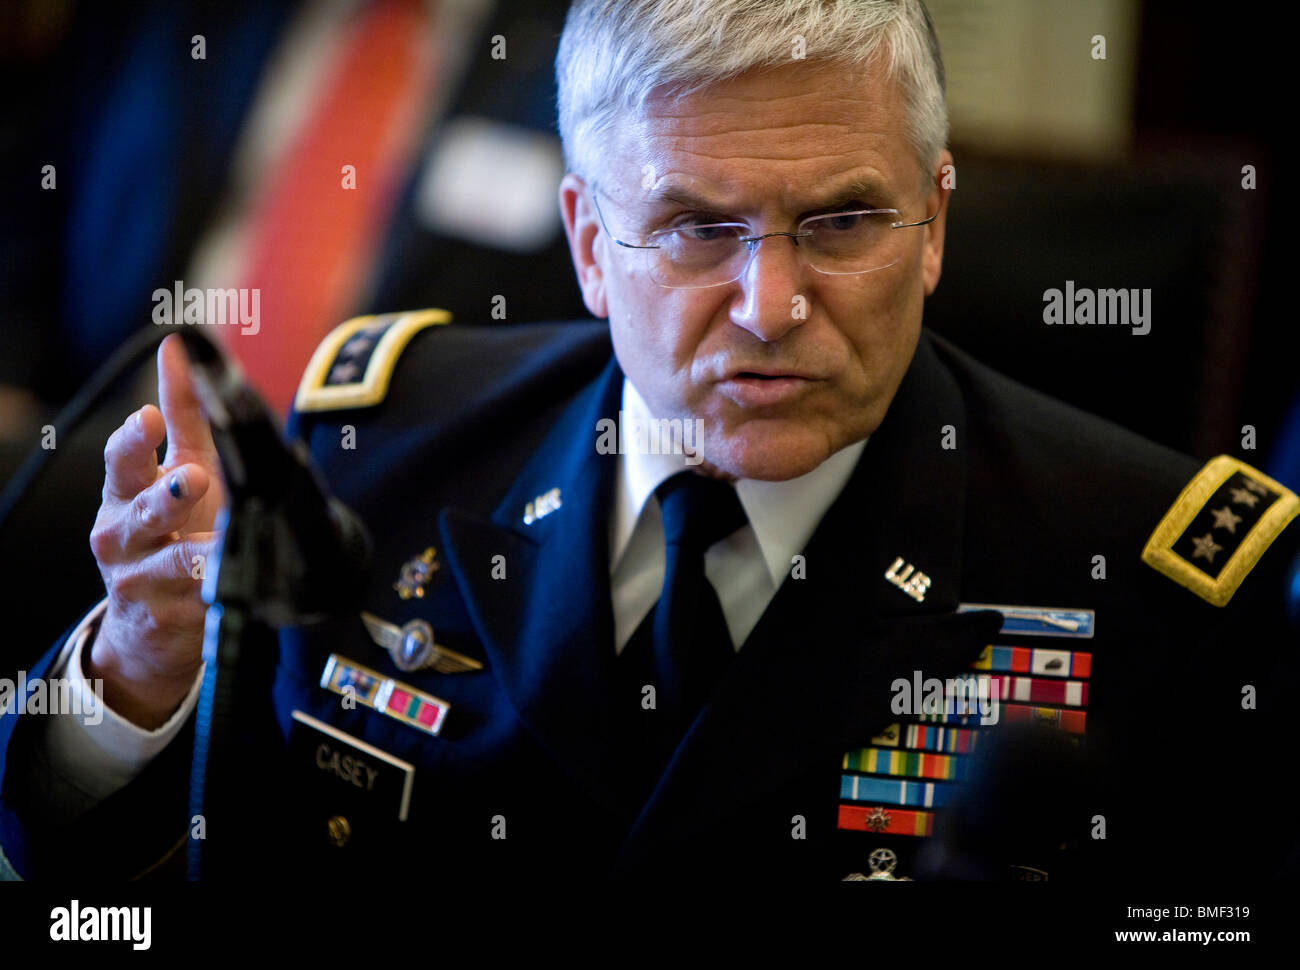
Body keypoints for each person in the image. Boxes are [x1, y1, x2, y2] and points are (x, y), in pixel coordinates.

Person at [1, 0, 1296, 884]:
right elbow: (54, 845)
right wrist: (128, 676)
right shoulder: (376, 445)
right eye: (694, 228)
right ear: (585, 243)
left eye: (843, 222)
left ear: (937, 221)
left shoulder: (1150, 585)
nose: (775, 306)